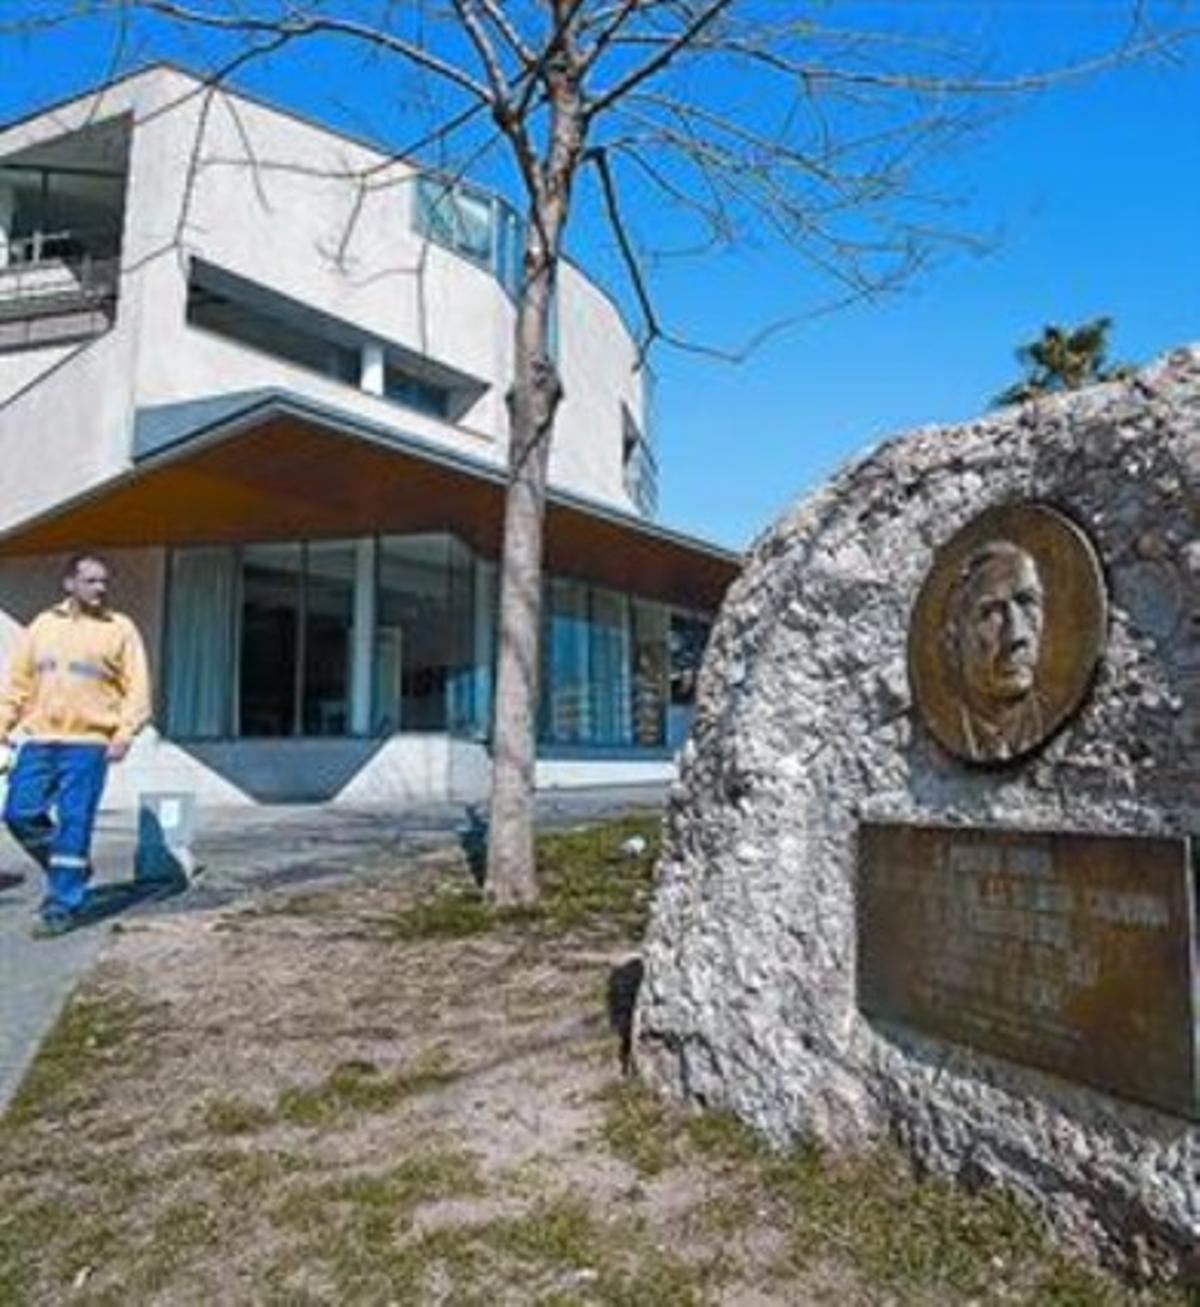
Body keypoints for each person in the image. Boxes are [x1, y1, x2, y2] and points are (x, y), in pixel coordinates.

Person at [0, 554, 151, 936]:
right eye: (91, 581)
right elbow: (17, 684)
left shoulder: (119, 628)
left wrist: (124, 733)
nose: (100, 589)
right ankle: (72, 867)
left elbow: (138, 687)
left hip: (88, 743)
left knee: (75, 820)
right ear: (69, 584)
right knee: (18, 813)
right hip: (39, 739)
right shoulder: (42, 626)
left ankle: (61, 905)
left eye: (103, 582)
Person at [946, 540, 1047, 763]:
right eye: (991, 612)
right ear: (954, 638)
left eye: (1027, 602)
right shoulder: (947, 724)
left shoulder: (1046, 717)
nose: (1016, 635)